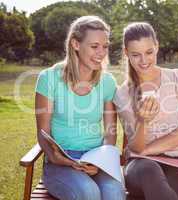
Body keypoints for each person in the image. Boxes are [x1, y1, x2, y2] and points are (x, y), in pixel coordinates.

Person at [35, 15, 125, 200]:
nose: (101, 53)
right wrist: (56, 157)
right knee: (88, 192)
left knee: (114, 193)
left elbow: (110, 132)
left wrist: (100, 163)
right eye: (94, 46)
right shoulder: (49, 78)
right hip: (60, 160)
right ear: (76, 44)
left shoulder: (107, 82)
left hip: (96, 158)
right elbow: (43, 133)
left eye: (105, 46)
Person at [113, 22, 178, 200]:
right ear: (126, 52)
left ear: (157, 47)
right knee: (149, 170)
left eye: (149, 52)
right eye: (136, 55)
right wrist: (144, 121)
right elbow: (136, 147)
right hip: (141, 167)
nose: (144, 61)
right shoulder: (122, 94)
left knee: (167, 188)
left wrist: (147, 150)